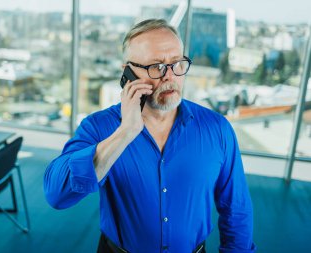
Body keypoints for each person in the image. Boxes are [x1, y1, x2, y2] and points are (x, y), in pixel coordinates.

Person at [44, 19, 256, 253]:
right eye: (156, 66)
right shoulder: (99, 127)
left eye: (177, 63)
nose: (170, 77)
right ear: (127, 72)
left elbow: (236, 210)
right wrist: (125, 133)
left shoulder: (217, 129)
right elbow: (57, 195)